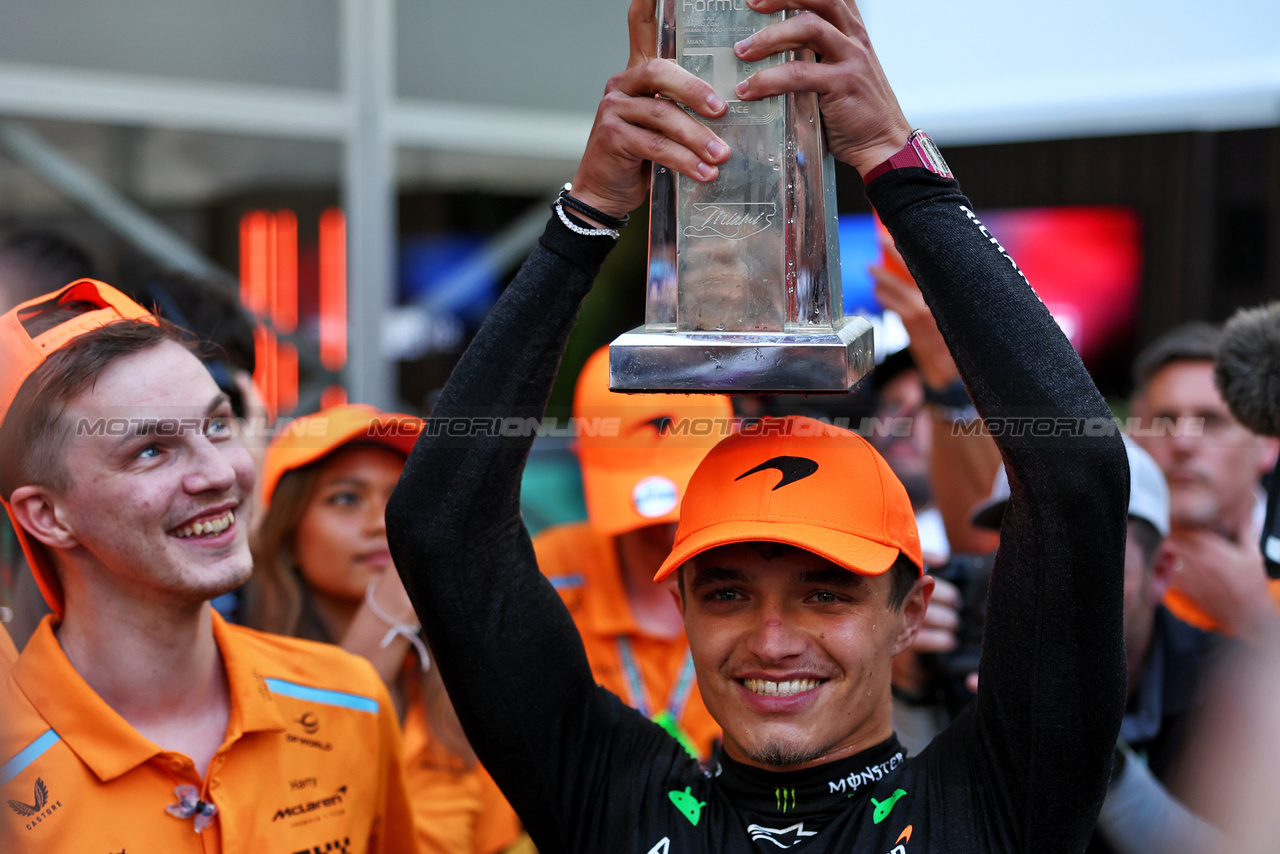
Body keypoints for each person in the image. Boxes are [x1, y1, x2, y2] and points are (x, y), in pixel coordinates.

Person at [384, 1, 1128, 851]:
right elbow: (439, 527)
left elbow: (1077, 475)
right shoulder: (611, 799)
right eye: (728, 592)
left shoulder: (995, 806)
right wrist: (586, 214)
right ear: (681, 604)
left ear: (910, 611)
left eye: (826, 592)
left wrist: (894, 162)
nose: (773, 642)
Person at [0, 280, 416, 851]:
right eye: (151, 450)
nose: (221, 472)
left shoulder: (348, 699)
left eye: (218, 425)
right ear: (47, 516)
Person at [245, 403, 527, 854]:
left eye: (400, 500)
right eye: (345, 498)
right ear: (288, 533)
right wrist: (393, 603)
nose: (382, 522)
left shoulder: (467, 689)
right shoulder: (240, 682)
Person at [962, 440, 1227, 853]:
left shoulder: (1229, 685)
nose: (1047, 577)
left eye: (1084, 553)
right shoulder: (972, 648)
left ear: (1160, 573)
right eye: (1021, 546)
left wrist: (1090, 750)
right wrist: (910, 694)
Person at [533, 346, 733, 758]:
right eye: (631, 490)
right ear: (581, 461)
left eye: (686, 484)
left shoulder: (776, 571)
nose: (665, 523)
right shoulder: (547, 574)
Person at [1129, 323, 1280, 636]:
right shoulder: (1095, 563)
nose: (1182, 442)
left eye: (1211, 421)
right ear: (1136, 439)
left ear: (1268, 444)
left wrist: (1257, 621)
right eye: (1165, 420)